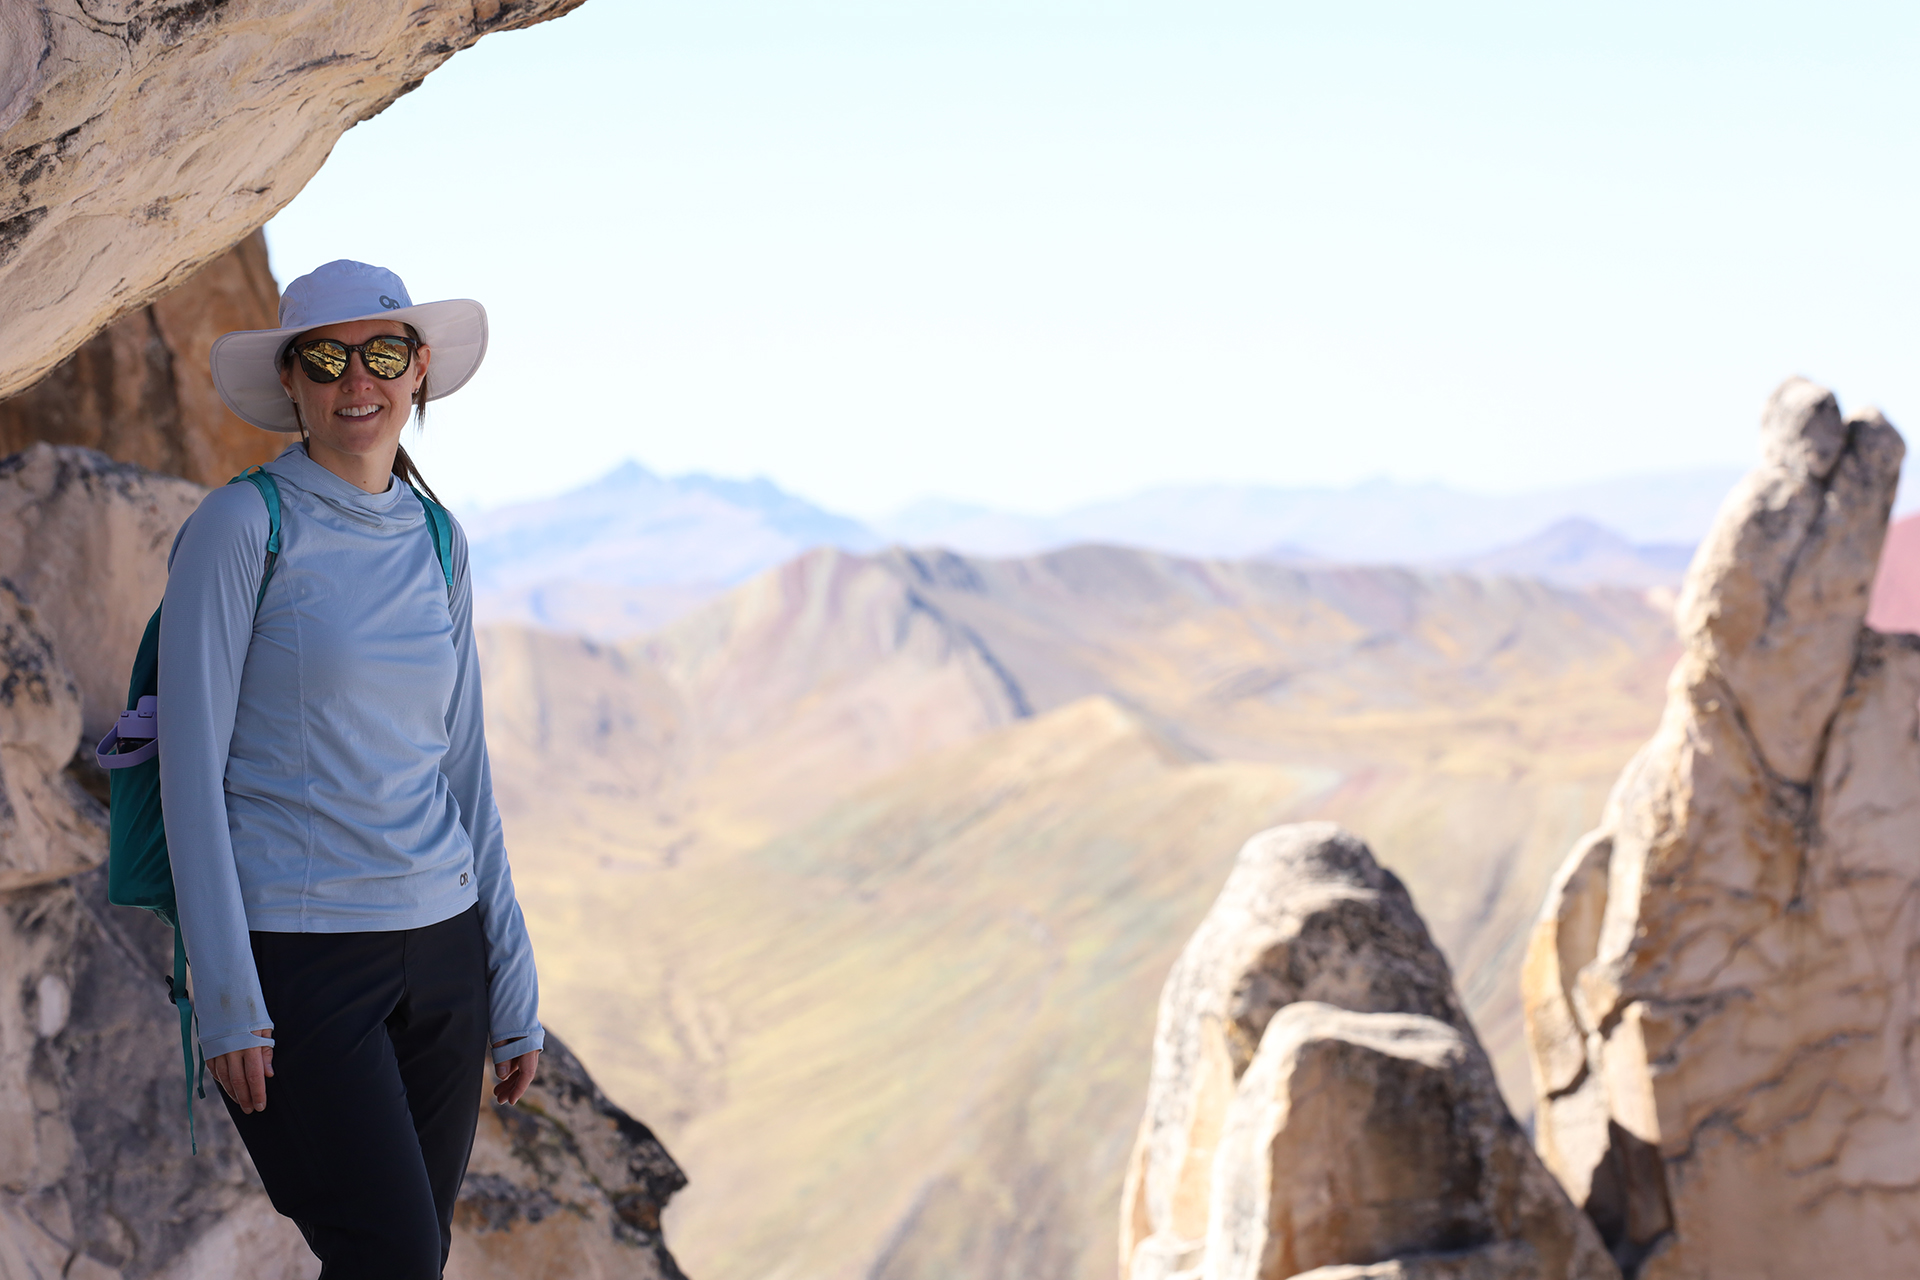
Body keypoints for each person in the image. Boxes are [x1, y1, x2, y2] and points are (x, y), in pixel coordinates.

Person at [162, 259, 542, 1278]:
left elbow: (463, 771)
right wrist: (228, 993)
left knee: (406, 1258)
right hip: (301, 956)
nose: (356, 382)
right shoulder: (244, 527)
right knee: (391, 1255)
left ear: (417, 370)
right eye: (326, 359)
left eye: (382, 354)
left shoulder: (438, 538)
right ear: (292, 380)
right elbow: (187, 773)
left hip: (444, 954)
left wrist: (513, 974)